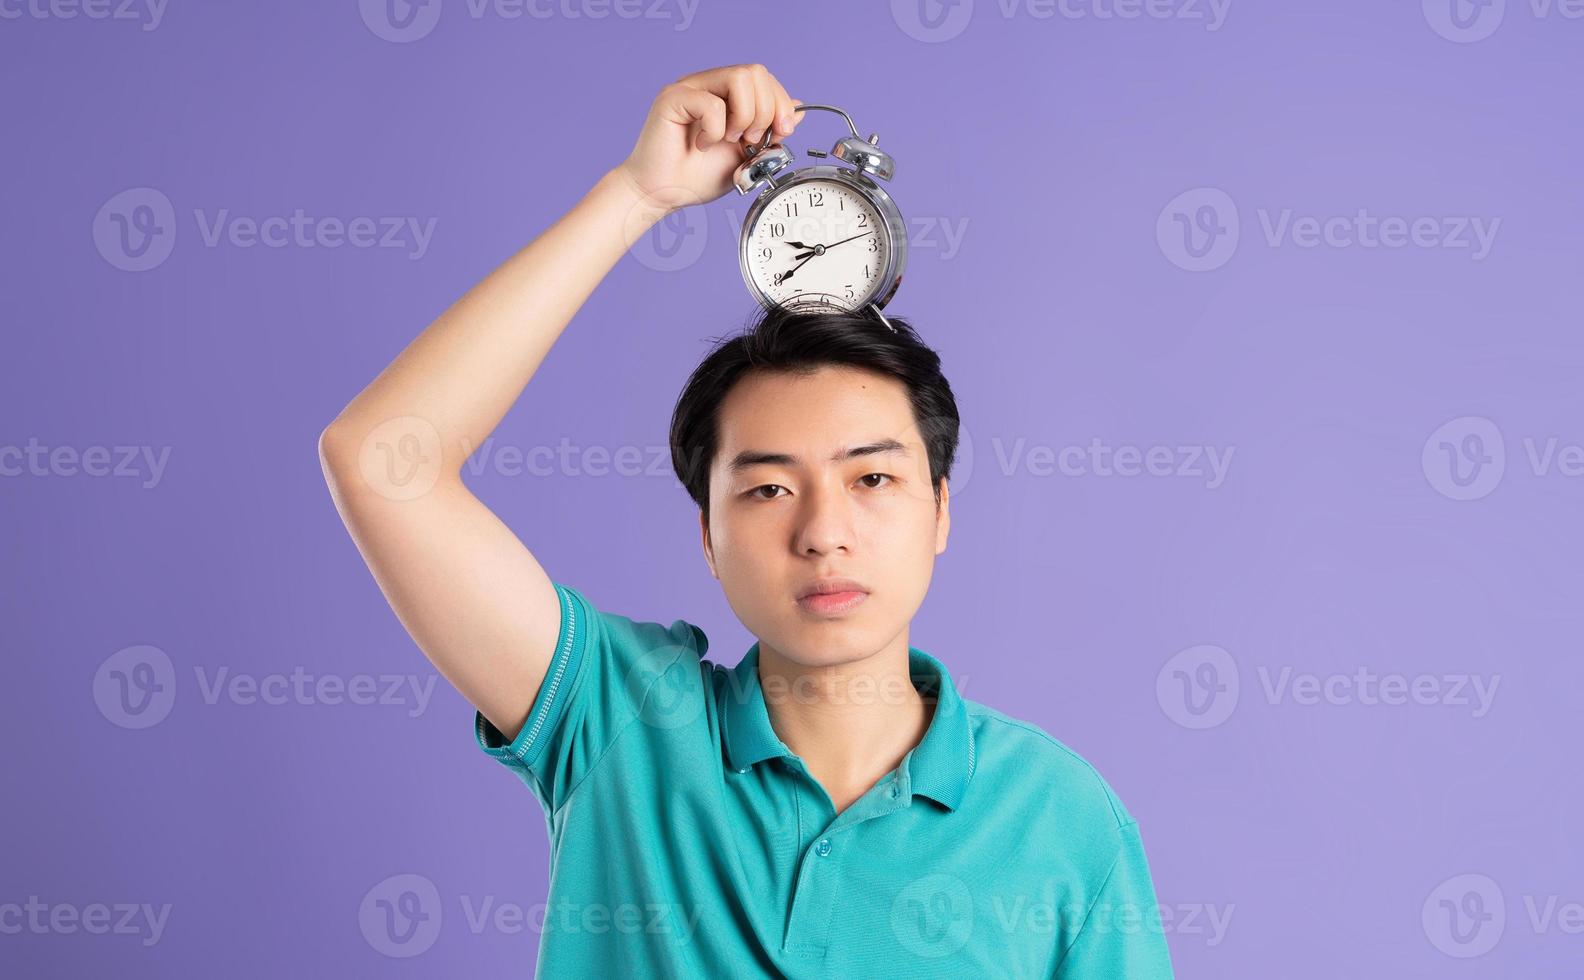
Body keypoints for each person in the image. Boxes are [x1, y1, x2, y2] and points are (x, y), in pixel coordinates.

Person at [319, 62, 1175, 978]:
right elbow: (382, 461)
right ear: (707, 537)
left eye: (874, 480)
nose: (823, 532)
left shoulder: (1061, 820)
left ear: (939, 511)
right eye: (768, 488)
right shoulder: (619, 723)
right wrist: (637, 195)